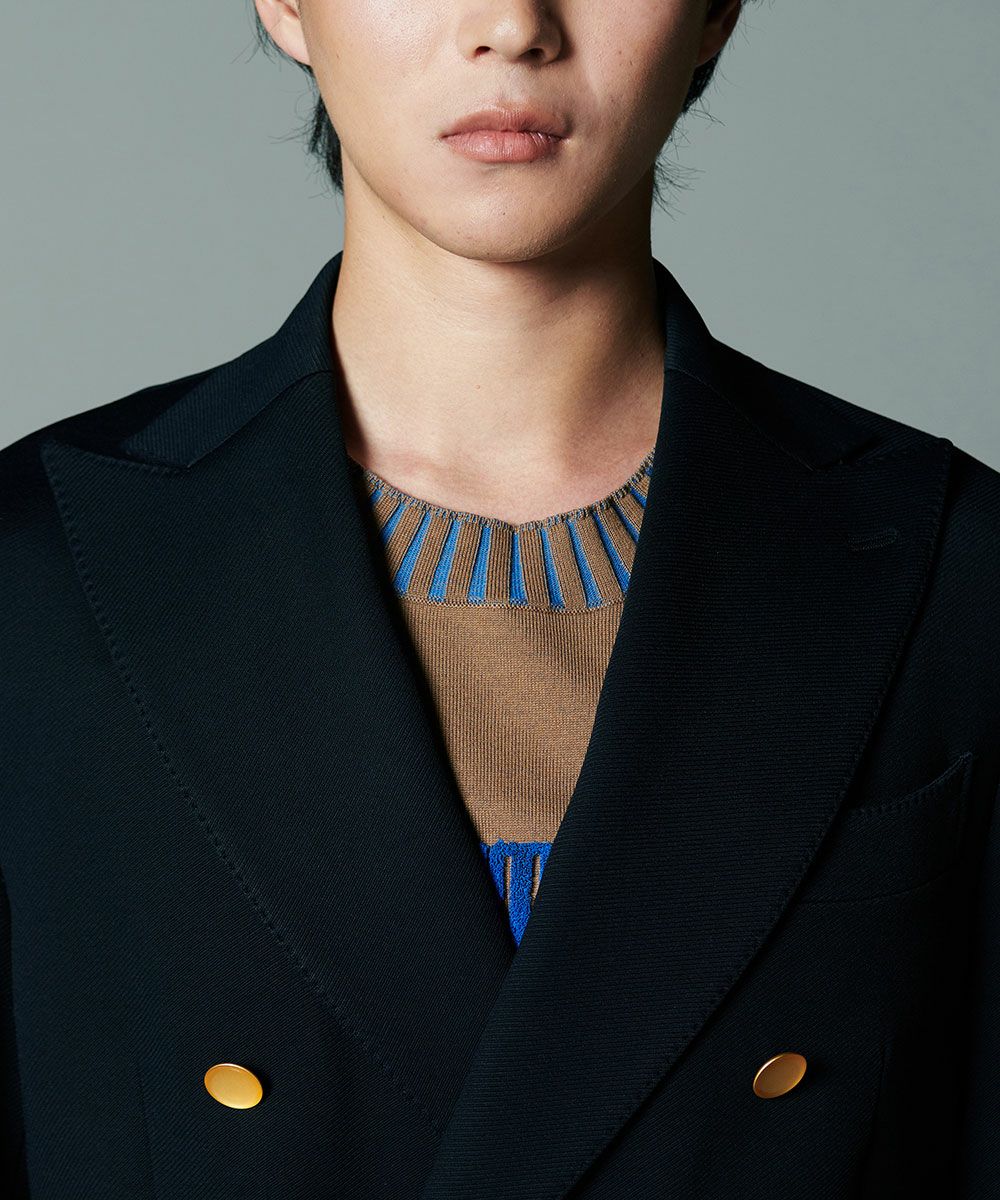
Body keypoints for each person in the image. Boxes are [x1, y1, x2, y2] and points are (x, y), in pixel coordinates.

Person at [1, 2, 997, 1197]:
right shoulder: (35, 572)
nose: (513, 25)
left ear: (716, 11)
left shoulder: (953, 565)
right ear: (284, 4)